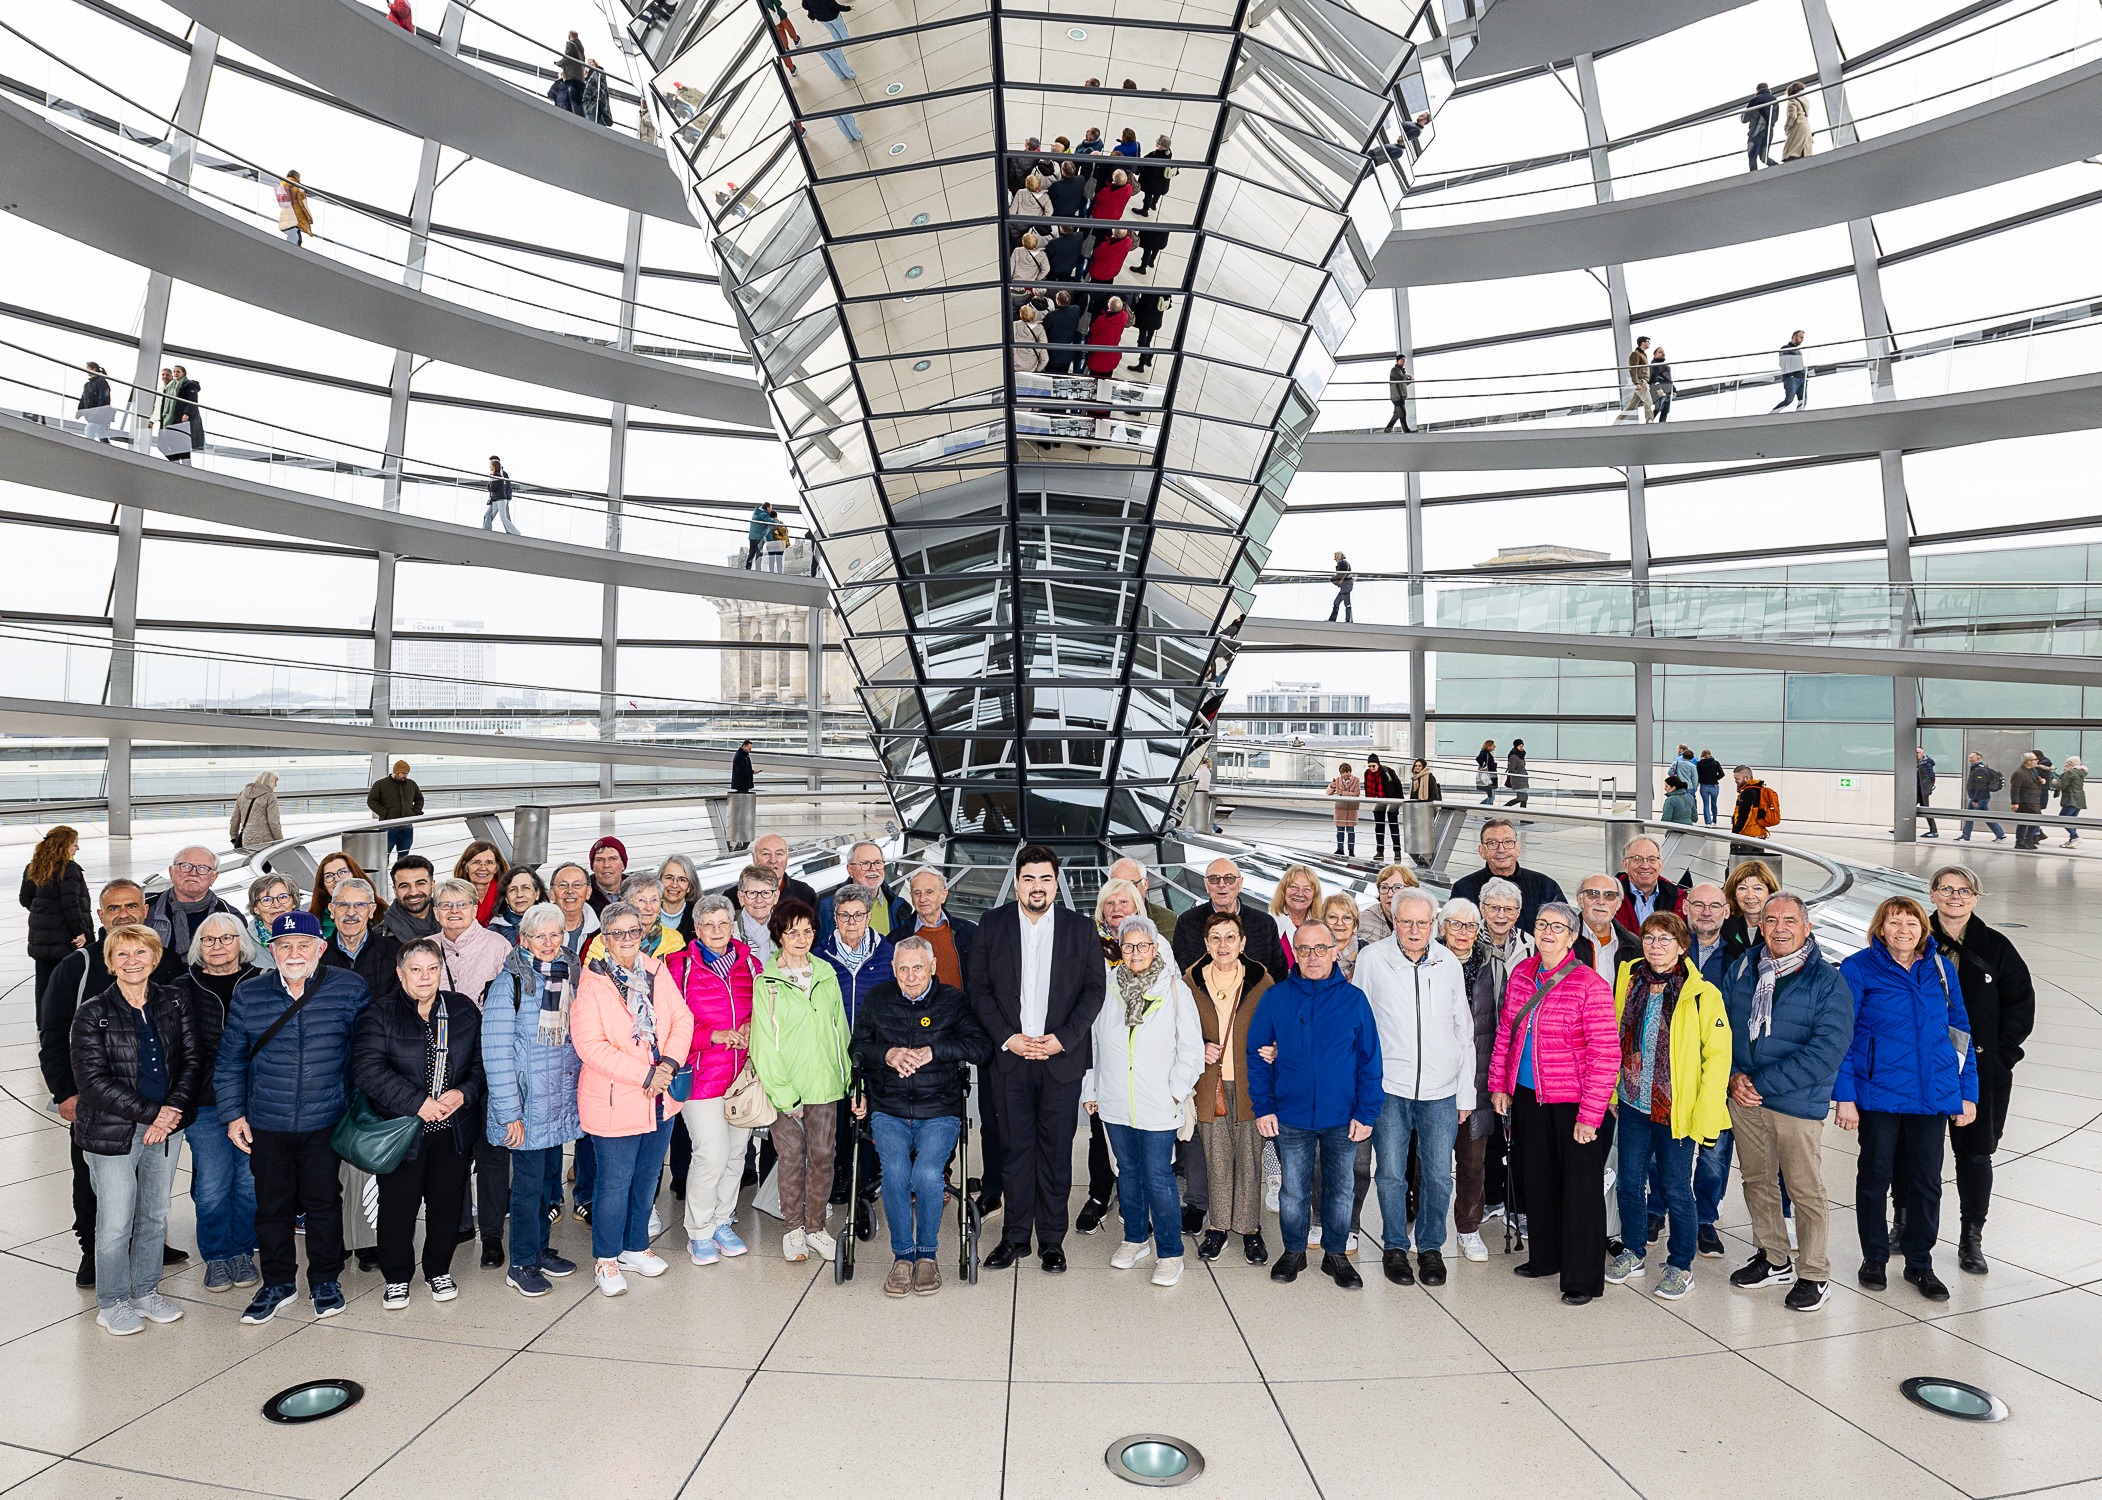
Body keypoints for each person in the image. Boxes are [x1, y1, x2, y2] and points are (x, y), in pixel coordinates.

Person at [216, 911, 371, 1324]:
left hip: (325, 1122)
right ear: (272, 951)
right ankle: (278, 1283)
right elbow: (230, 1060)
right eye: (285, 945)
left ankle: (325, 1279)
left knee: (323, 1204)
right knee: (272, 1208)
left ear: (321, 948)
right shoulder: (250, 994)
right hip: (267, 1122)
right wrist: (234, 1115)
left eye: (304, 944)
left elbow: (364, 1055)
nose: (294, 952)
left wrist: (354, 1109)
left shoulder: (349, 988)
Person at [967, 845, 1107, 1273]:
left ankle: (1051, 1240)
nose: (1037, 887)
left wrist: (1062, 1040)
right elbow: (979, 991)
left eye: (1046, 879)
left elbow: (1093, 991)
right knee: (1014, 1150)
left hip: (1059, 1060)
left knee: (1056, 1152)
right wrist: (1009, 1038)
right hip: (1010, 1060)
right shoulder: (991, 925)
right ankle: (1014, 1238)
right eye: (1029, 879)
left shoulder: (1081, 929)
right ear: (1016, 883)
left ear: (1056, 883)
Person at [1836, 896, 1974, 1301]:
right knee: (1874, 1178)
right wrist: (1845, 1096)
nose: (1904, 931)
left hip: (1931, 1095)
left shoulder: (1941, 969)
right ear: (1880, 928)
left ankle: (1920, 1263)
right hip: (1878, 1094)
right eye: (1895, 923)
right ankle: (1874, 1257)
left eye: (1912, 923)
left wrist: (1966, 1093)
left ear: (1922, 930)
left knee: (1927, 1183)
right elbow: (1843, 1034)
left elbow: (1960, 1032)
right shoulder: (1858, 968)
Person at [1719, 893, 1852, 1312]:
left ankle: (1813, 1273)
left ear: (1807, 927)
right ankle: (1773, 1257)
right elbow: (1720, 1028)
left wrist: (1757, 1081)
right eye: (1771, 919)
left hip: (1795, 1103)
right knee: (1756, 1181)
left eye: (1790, 920)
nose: (1779, 927)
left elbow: (1827, 1051)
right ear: (1760, 925)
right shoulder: (1743, 967)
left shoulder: (1827, 980)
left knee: (1803, 1189)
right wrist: (1732, 1078)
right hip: (1745, 1098)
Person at [71, 924, 200, 1335]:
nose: (132, 962)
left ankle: (145, 1292)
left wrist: (173, 1109)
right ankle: (112, 1302)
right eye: (122, 955)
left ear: (154, 958)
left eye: (140, 953)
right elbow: (92, 1082)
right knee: (114, 1222)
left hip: (167, 1129)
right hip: (113, 1133)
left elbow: (193, 1060)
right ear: (110, 963)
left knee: (155, 1215)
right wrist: (154, 1114)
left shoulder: (175, 1000)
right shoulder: (92, 1013)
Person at [1487, 901, 1617, 1305]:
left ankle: (1581, 1277)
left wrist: (1590, 1115)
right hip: (1528, 1096)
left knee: (1579, 1189)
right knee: (1537, 1180)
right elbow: (1506, 1032)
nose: (1547, 932)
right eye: (1542, 924)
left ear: (1572, 936)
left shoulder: (1589, 984)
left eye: (1557, 927)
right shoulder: (1523, 973)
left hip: (1573, 1102)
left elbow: (1605, 1053)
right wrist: (1499, 1084)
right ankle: (1545, 1257)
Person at [851, 935, 991, 1295]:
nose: (911, 976)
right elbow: (858, 1046)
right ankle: (902, 1257)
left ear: (932, 967)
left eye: (918, 967)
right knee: (896, 1172)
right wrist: (888, 1055)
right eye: (903, 969)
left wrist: (934, 1051)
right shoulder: (878, 999)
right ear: (894, 970)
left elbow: (981, 1047)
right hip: (889, 1108)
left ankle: (927, 1256)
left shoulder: (954, 1002)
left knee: (928, 1174)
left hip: (939, 1109)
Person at [1604, 913, 1732, 1301]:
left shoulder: (1703, 994)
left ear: (1681, 946)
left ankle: (1680, 1265)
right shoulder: (1630, 978)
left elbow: (1718, 1057)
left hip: (1676, 1110)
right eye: (1649, 938)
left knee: (1677, 1188)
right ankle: (1633, 1251)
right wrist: (1612, 1092)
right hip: (1632, 1103)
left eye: (1665, 939)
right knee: (1629, 1181)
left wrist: (1705, 1115)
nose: (1655, 946)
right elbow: (1615, 1036)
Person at [1246, 921, 1382, 1289]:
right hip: (1290, 1116)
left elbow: (1371, 1060)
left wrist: (1366, 1112)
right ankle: (1294, 1251)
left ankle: (1335, 1254)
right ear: (1295, 953)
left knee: (1340, 1189)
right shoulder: (1276, 999)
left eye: (1320, 948)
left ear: (1335, 950)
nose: (1313, 957)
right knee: (1293, 1190)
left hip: (1343, 1117)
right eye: (1304, 949)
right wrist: (1264, 1107)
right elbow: (1257, 1055)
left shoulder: (1354, 1000)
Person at [353, 939, 484, 1311]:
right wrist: (418, 1103)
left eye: (432, 969)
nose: (425, 977)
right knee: (398, 1208)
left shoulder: (460, 1010)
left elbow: (479, 1061)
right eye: (416, 969)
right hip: (402, 1132)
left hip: (453, 1131)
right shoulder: (379, 1014)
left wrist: (465, 1093)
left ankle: (438, 1270)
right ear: (400, 973)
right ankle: (396, 1277)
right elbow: (367, 1069)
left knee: (446, 1204)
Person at [572, 900, 691, 1295]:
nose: (626, 939)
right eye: (617, 933)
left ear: (643, 933)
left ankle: (635, 1247)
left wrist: (669, 1066)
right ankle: (606, 1259)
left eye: (633, 931)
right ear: (605, 939)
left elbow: (681, 1018)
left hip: (660, 1098)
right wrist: (646, 1074)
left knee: (647, 1178)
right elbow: (591, 1046)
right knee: (614, 1181)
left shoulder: (657, 971)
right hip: (615, 1100)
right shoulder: (592, 983)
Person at [1357, 890, 1474, 1287]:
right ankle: (1393, 1246)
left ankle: (1430, 1248)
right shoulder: (1372, 960)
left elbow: (1464, 1029)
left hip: (1441, 1089)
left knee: (1440, 1174)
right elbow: (1360, 1028)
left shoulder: (1447, 964)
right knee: (1390, 1172)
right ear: (1393, 921)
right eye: (1406, 921)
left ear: (1433, 924)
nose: (1414, 930)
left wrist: (1466, 1091)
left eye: (1422, 922)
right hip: (1390, 1087)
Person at [42, 880, 154, 1287]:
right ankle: (93, 1250)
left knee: (147, 1175)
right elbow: (52, 1033)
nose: (123, 914)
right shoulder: (77, 967)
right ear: (101, 917)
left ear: (144, 909)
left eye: (131, 906)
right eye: (113, 908)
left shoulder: (161, 960)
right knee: (90, 1178)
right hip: (94, 1101)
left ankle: (144, 1242)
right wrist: (64, 1092)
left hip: (151, 1101)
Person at [1924, 866, 2034, 1276]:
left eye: (1965, 890)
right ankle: (1906, 1221)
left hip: (1982, 1069)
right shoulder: (1914, 939)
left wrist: (2000, 1057)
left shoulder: (1998, 947)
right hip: (1922, 1068)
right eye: (1947, 889)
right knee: (1916, 1150)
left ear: (1976, 897)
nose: (1955, 896)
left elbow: (2020, 1005)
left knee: (1974, 1154)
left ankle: (1971, 1235)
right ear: (1932, 894)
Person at [1082, 917, 1203, 1286]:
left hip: (1157, 1102)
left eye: (1143, 946)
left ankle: (1170, 1253)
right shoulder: (1106, 989)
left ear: (1155, 948)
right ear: (1121, 950)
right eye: (1129, 946)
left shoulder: (1174, 989)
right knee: (1127, 1173)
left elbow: (1191, 1049)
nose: (1135, 953)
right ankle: (1135, 1238)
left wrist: (1175, 1090)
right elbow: (1094, 1046)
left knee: (1158, 1176)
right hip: (1115, 1100)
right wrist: (1092, 1089)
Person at [482, 905, 584, 1296]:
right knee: (525, 1189)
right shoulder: (508, 983)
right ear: (523, 939)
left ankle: (540, 1249)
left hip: (556, 1103)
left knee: (547, 1183)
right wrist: (510, 1113)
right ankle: (521, 1262)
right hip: (525, 1105)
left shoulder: (570, 975)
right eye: (538, 936)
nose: (547, 943)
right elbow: (495, 1053)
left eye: (554, 935)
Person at [751, 897, 851, 1261]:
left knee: (824, 1156)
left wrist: (847, 1080)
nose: (801, 938)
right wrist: (783, 1095)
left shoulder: (826, 973)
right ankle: (792, 1228)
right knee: (791, 1157)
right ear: (779, 934)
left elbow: (840, 1029)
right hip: (786, 1088)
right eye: (793, 931)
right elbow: (763, 1042)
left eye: (808, 931)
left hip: (825, 1084)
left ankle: (815, 1228)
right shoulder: (767, 981)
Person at [665, 896, 760, 1266]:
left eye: (723, 924)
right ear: (697, 927)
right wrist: (713, 1036)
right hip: (702, 1077)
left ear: (732, 925)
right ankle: (699, 1230)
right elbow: (669, 1024)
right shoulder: (679, 967)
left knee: (737, 1154)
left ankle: (722, 1220)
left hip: (742, 1079)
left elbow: (765, 1011)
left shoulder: (750, 964)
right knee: (711, 1155)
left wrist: (753, 1027)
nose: (717, 931)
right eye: (709, 925)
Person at [1185, 909, 1272, 1265]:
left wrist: (1277, 1048)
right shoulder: (1190, 982)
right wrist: (1196, 1047)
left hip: (1252, 1083)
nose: (1223, 945)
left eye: (1230, 937)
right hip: (1211, 1086)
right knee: (1217, 1159)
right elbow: (1176, 1030)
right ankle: (1218, 1228)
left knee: (1249, 1158)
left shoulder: (1261, 981)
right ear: (1207, 943)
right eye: (1216, 938)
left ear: (1242, 942)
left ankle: (1250, 1229)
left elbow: (1277, 1025)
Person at [180, 911, 261, 1292]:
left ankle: (242, 1251)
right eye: (209, 940)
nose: (218, 946)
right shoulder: (182, 988)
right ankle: (216, 1256)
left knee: (248, 1184)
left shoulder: (263, 983)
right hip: (206, 1102)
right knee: (212, 1185)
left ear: (241, 943)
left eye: (227, 938)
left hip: (257, 1101)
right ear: (199, 946)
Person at [817, 883, 893, 1225]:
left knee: (868, 1117)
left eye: (858, 915)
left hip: (873, 1052)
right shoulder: (820, 956)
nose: (851, 922)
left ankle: (865, 1183)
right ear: (835, 917)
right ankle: (838, 1180)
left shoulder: (888, 954)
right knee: (836, 1120)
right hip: (831, 1053)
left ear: (868, 917)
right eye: (844, 915)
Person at [1439, 897, 1500, 1260]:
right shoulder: (1427, 961)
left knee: (1473, 1159)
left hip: (1478, 1076)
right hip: (1434, 1076)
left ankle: (1468, 1228)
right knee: (1427, 1160)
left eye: (1471, 926)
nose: (1463, 933)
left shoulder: (1492, 967)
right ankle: (1425, 1225)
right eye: (1455, 925)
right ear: (1442, 926)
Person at [1172, 858, 1286, 980]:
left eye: (1229, 878)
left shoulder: (1265, 924)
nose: (1221, 885)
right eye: (1214, 879)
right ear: (1206, 884)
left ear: (1240, 883)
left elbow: (1278, 972)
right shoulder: (1187, 922)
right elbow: (1181, 973)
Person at [1449, 819, 1568, 934]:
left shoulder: (1545, 886)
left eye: (1508, 842)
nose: (1501, 849)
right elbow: (1453, 931)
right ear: (1482, 851)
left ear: (1518, 848)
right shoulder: (1463, 889)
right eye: (1492, 843)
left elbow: (1565, 928)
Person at [21, 825, 92, 1003]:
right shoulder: (69, 869)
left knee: (44, 984)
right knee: (66, 985)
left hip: (41, 939)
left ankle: (43, 1024)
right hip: (66, 939)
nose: (77, 848)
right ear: (64, 845)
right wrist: (80, 932)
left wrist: (45, 913)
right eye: (74, 844)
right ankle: (63, 1025)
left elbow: (25, 898)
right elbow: (71, 905)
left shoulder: (33, 867)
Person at [143, 846, 236, 983]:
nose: (193, 873)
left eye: (203, 868)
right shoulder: (146, 909)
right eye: (185, 866)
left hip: (207, 991)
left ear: (214, 877)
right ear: (171, 872)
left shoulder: (229, 915)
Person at [818, 842, 901, 942]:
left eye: (878, 862)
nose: (873, 868)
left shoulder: (899, 907)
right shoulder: (827, 906)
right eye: (865, 863)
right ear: (850, 870)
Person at [1574, 876, 1641, 989]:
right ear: (1580, 900)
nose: (1601, 901)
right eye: (1593, 894)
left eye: (1609, 895)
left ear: (1618, 904)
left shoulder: (1634, 946)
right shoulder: (1561, 941)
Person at [736, 831, 820, 911]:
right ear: (754, 858)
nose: (773, 860)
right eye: (766, 854)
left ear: (787, 858)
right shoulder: (733, 896)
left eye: (779, 854)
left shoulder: (805, 894)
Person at [1615, 837, 1686, 930]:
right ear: (1625, 864)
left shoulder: (1678, 899)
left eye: (1652, 859)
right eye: (1637, 859)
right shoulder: (1610, 897)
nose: (1645, 866)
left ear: (1661, 864)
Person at [1720, 859, 1779, 955]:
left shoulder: (1781, 925)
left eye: (1757, 888)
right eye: (1742, 888)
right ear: (1734, 894)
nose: (1750, 895)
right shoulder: (1722, 926)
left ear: (1770, 893)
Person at [1270, 865, 1323, 970]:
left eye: (1307, 889)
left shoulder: (1321, 928)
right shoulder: (1268, 924)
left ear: (1314, 896)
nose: (1299, 893)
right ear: (1283, 891)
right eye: (1294, 887)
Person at [244, 874, 300, 971]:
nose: (276, 905)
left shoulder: (314, 933)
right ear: (255, 908)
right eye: (266, 900)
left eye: (283, 897)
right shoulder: (243, 944)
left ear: (294, 902)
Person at [368, 761, 423, 857]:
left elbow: (419, 799)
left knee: (404, 855)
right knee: (384, 855)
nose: (405, 776)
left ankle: (401, 872)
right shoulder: (380, 784)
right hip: (387, 825)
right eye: (403, 773)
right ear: (396, 772)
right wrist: (385, 814)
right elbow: (372, 801)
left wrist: (414, 812)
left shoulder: (411, 784)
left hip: (407, 826)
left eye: (407, 773)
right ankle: (384, 872)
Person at [489, 867, 548, 945]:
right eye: (513, 890)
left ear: (537, 893)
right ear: (506, 897)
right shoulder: (494, 932)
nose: (519, 894)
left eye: (526, 888)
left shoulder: (552, 923)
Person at [801, 0, 856, 83]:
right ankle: (847, 42)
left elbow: (805, 6)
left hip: (821, 18)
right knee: (842, 30)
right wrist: (848, 8)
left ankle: (839, 43)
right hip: (833, 16)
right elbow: (835, 6)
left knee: (833, 31)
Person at [1730, 763, 1779, 856]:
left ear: (1746, 778)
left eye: (1737, 779)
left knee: (1737, 865)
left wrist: (1735, 833)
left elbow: (1744, 815)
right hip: (1759, 835)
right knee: (1757, 865)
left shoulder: (1747, 793)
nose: (1736, 781)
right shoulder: (1760, 790)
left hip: (1746, 835)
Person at [1958, 750, 2006, 842]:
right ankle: (2000, 834)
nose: (1969, 759)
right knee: (1986, 816)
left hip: (1979, 797)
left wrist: (1975, 799)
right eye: (1969, 757)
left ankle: (1966, 836)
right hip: (1982, 797)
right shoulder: (1977, 768)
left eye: (1971, 757)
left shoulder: (1979, 770)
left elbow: (1981, 786)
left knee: (1969, 815)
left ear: (1978, 758)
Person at [1361, 755, 1401, 861]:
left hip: (1393, 798)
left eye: (1373, 765)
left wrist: (1399, 800)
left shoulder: (1387, 771)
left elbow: (1397, 784)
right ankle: (1380, 851)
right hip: (1380, 799)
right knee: (1379, 825)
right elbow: (1367, 787)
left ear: (1378, 764)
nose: (1371, 768)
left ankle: (1397, 851)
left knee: (1393, 824)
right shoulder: (1367, 773)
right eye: (1369, 766)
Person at [2009, 752, 2050, 851]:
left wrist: (2041, 781)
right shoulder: (2019, 773)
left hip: (2034, 800)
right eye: (2034, 759)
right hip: (2025, 802)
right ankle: (2021, 841)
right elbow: (2015, 789)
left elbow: (2035, 781)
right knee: (2025, 822)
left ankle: (2026, 840)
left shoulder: (2033, 770)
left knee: (2032, 821)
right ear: (2028, 761)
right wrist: (2015, 803)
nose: (2037, 761)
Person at [162, 365, 202, 462]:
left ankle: (186, 464)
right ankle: (175, 462)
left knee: (183, 443)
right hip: (174, 419)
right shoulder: (172, 386)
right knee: (173, 442)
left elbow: (193, 401)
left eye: (178, 372)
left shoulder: (189, 384)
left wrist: (186, 414)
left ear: (183, 373)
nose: (175, 374)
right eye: (174, 372)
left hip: (184, 419)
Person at [1085, 296, 1130, 375]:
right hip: (1112, 356)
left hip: (1098, 356)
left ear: (1109, 307)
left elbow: (1093, 329)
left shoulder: (1103, 320)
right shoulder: (1124, 317)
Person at [1326, 762, 1361, 857]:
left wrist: (1342, 793)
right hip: (1340, 809)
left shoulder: (1356, 780)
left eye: (1347, 772)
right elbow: (1328, 793)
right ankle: (1340, 849)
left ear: (1350, 772)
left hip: (1351, 809)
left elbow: (1357, 793)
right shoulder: (1337, 780)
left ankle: (1351, 851)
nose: (1345, 774)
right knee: (1339, 831)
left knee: (1351, 831)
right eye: (1343, 773)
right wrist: (1332, 786)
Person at [1742, 81, 1779, 170]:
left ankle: (1754, 176)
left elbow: (1744, 119)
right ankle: (1778, 167)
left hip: (1755, 131)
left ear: (1757, 90)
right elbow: (1775, 118)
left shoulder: (1754, 100)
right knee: (1764, 157)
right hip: (1769, 131)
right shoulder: (1775, 100)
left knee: (1752, 155)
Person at [481, 456, 521, 535]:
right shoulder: (494, 474)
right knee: (488, 514)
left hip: (502, 499)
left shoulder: (501, 474)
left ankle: (514, 533)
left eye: (490, 463)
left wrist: (507, 498)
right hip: (496, 499)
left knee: (504, 517)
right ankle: (485, 531)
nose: (489, 465)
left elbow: (498, 487)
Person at [77, 361, 116, 442]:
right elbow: (83, 399)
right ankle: (108, 449)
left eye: (88, 368)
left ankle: (89, 446)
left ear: (94, 369)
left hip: (99, 414)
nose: (86, 371)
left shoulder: (101, 381)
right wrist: (80, 411)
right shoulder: (87, 385)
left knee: (89, 430)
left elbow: (104, 398)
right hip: (94, 414)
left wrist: (98, 411)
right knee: (101, 433)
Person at [588, 836, 629, 912]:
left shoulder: (636, 889)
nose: (606, 865)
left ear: (623, 864)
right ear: (593, 866)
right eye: (599, 860)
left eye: (613, 859)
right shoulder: (583, 894)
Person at [1136, 134, 1173, 215]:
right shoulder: (1168, 153)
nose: (1156, 142)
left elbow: (1145, 164)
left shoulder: (1154, 155)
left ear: (1160, 146)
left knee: (1148, 194)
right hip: (1162, 180)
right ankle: (1153, 204)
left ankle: (1144, 210)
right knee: (1158, 192)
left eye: (1158, 141)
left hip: (1152, 180)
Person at [1619, 336, 1654, 423]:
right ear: (1643, 342)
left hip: (1642, 382)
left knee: (1632, 406)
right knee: (1648, 401)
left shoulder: (1642, 354)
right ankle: (1649, 420)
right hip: (1640, 382)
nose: (1649, 343)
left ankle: (1618, 422)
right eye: (1648, 341)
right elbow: (1633, 369)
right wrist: (1636, 383)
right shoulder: (1636, 354)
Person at [1771, 330, 1808, 412]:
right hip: (1792, 378)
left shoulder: (1798, 351)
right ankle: (1773, 413)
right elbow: (1782, 362)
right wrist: (1789, 375)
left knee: (1803, 398)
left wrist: (1805, 375)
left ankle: (1799, 415)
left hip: (1801, 377)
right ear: (1794, 337)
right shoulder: (1785, 348)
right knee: (1789, 400)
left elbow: (1800, 365)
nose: (1802, 340)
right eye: (1801, 337)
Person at [275, 170, 313, 246]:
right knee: (296, 240)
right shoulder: (298, 187)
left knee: (291, 236)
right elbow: (303, 204)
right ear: (296, 177)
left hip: (284, 218)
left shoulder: (282, 184)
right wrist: (309, 218)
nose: (300, 180)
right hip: (295, 218)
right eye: (299, 178)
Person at [2059, 755, 2087, 843]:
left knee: (2063, 818)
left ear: (2071, 764)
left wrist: (2054, 782)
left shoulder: (2070, 773)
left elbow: (2062, 785)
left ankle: (2075, 837)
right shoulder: (2080, 772)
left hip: (2071, 799)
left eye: (2067, 763)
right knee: (2072, 820)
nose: (2065, 765)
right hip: (2079, 800)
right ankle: (2072, 839)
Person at [1781, 80, 1813, 159]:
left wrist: (1787, 128)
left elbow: (1792, 116)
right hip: (1806, 124)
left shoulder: (1792, 100)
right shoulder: (1805, 100)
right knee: (1803, 149)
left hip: (1797, 125)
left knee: (1791, 150)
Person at [1013, 304, 1048, 372]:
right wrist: (1037, 370)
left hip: (1016, 366)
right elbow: (1045, 358)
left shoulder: (1015, 325)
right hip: (1032, 368)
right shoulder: (1039, 329)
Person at [1695, 748, 1725, 825]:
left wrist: (1702, 780)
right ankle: (1714, 820)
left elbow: (1698, 776)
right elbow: (1722, 774)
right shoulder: (1715, 763)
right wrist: (1715, 778)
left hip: (1704, 786)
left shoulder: (1699, 764)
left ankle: (1708, 822)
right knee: (1714, 803)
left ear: (1702, 755)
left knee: (1706, 804)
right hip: (1714, 785)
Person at [1383, 356, 1411, 432]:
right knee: (1402, 412)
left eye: (1404, 360)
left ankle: (1387, 430)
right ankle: (1406, 430)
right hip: (1397, 396)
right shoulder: (1395, 370)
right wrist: (1407, 376)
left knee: (1397, 414)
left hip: (1401, 395)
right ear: (1397, 361)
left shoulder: (1402, 371)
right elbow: (1401, 378)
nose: (1403, 362)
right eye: (1402, 360)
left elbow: (1403, 383)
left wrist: (1409, 379)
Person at [1501, 738, 1530, 808]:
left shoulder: (1521, 756)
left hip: (1523, 780)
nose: (1521, 747)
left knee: (1524, 799)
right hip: (1517, 780)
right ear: (1516, 746)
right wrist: (1520, 773)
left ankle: (1522, 816)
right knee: (1521, 798)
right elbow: (1511, 769)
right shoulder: (1514, 757)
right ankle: (1505, 808)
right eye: (1520, 746)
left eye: (1522, 746)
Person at [1648, 345, 1675, 422]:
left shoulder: (1667, 367)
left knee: (1666, 409)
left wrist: (1674, 390)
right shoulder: (1653, 365)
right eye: (1660, 352)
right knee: (1658, 406)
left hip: (1666, 390)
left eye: (1663, 352)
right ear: (1655, 355)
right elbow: (1654, 377)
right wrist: (1658, 388)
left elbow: (1669, 380)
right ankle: (1649, 422)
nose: (1663, 354)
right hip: (1657, 389)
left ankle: (1662, 425)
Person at [746, 502, 776, 568]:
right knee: (759, 553)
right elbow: (770, 521)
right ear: (767, 508)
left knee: (752, 552)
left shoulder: (757, 512)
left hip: (752, 536)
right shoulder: (764, 514)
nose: (771, 509)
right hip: (758, 537)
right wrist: (777, 522)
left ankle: (748, 567)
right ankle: (757, 569)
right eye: (771, 508)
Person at [1327, 553, 1354, 624]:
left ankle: (1348, 621)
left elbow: (1341, 575)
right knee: (1337, 602)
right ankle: (1345, 620)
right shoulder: (1343, 564)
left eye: (1335, 557)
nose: (1334, 558)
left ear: (1339, 556)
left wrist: (1333, 579)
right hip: (1345, 586)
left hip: (1346, 586)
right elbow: (1341, 576)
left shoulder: (1343, 564)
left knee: (1346, 603)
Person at [1475, 739, 1498, 804]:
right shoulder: (1484, 753)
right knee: (1491, 797)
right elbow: (1478, 758)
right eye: (1493, 745)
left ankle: (1480, 807)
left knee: (1491, 797)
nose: (1495, 746)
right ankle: (1485, 810)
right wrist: (1483, 765)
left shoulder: (1487, 753)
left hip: (1491, 777)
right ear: (1489, 746)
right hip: (1489, 777)